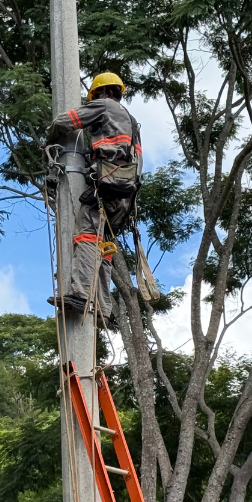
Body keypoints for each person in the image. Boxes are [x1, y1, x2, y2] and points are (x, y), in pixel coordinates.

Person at [46, 72, 143, 320]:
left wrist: (48, 141)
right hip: (126, 197)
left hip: (108, 185)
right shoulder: (131, 121)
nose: (95, 98)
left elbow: (63, 122)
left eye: (96, 94)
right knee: (104, 245)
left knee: (87, 236)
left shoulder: (104, 105)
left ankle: (80, 295)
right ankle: (103, 307)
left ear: (105, 92)